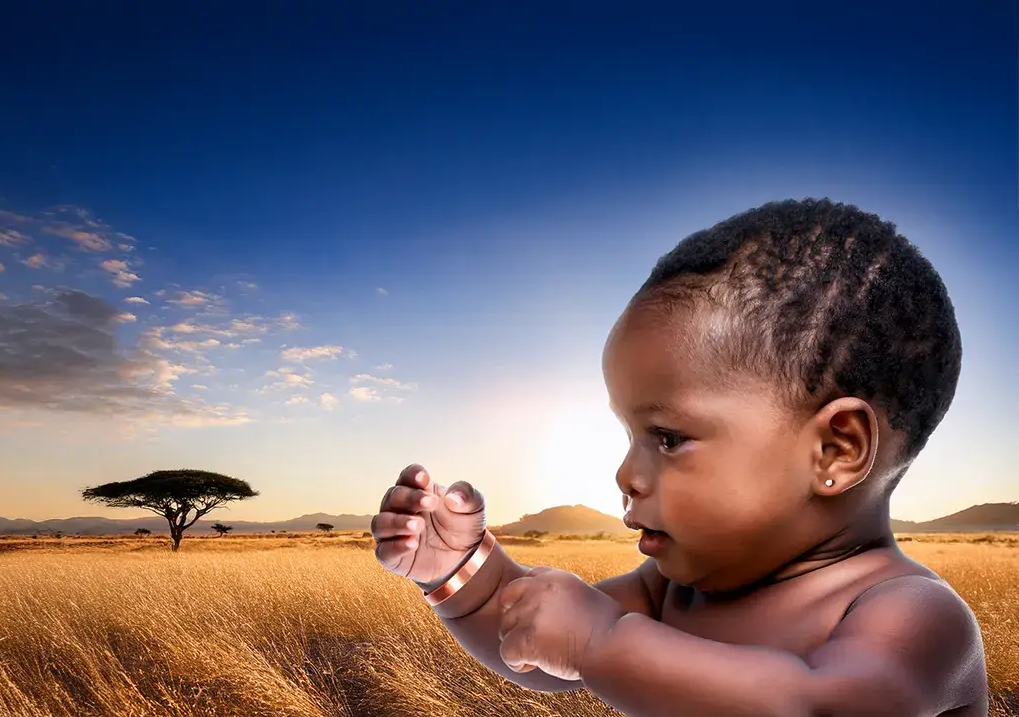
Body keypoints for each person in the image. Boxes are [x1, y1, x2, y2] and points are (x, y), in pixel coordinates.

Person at [372, 198, 989, 716]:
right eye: (629, 435)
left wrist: (603, 641)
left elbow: (819, 706)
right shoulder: (671, 593)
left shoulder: (910, 614)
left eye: (668, 438)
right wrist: (460, 571)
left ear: (836, 449)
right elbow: (539, 635)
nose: (625, 475)